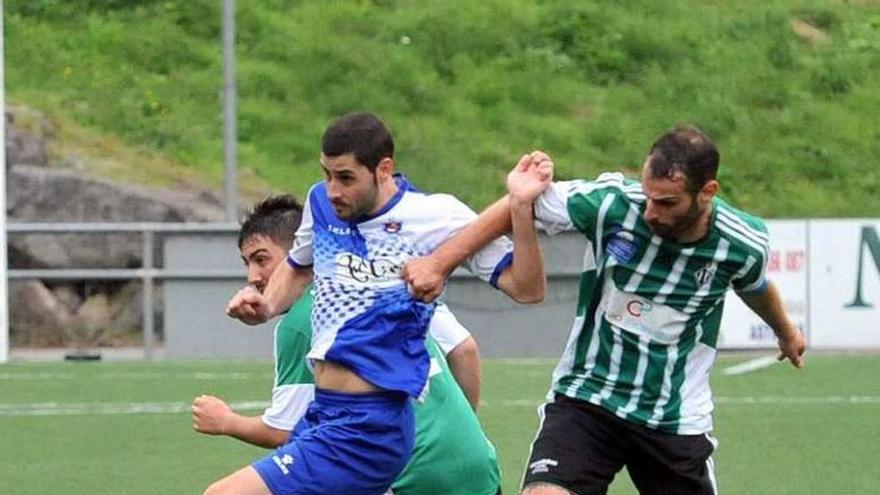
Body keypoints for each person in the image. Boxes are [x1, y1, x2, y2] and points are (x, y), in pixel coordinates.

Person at [402, 125, 806, 495]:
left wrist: (784, 331)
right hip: (587, 399)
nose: (651, 212)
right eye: (648, 196)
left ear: (708, 192)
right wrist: (439, 263)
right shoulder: (614, 204)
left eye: (667, 203)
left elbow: (754, 285)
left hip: (671, 418)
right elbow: (516, 205)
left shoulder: (741, 243)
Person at [212, 112, 552, 495]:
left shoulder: (434, 216)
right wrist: (266, 306)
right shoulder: (320, 204)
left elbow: (527, 288)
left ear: (384, 169)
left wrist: (520, 208)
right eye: (326, 174)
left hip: (371, 426)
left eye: (345, 178)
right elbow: (297, 265)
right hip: (324, 414)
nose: (332, 189)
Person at [192, 194, 503, 494]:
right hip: (476, 465)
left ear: (301, 254)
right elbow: (465, 349)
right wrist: (455, 433)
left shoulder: (302, 324)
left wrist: (227, 422)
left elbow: (282, 430)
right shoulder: (390, 284)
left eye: (261, 260)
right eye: (247, 264)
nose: (253, 276)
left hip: (407, 476)